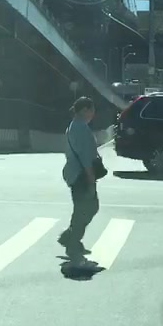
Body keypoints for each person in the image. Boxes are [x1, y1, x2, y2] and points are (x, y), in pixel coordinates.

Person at [59, 96, 100, 259]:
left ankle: (71, 238)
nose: (93, 114)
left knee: (84, 208)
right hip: (80, 174)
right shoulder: (80, 128)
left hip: (75, 172)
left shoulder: (75, 126)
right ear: (84, 110)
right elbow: (84, 156)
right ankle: (72, 240)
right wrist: (91, 177)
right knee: (87, 208)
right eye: (92, 110)